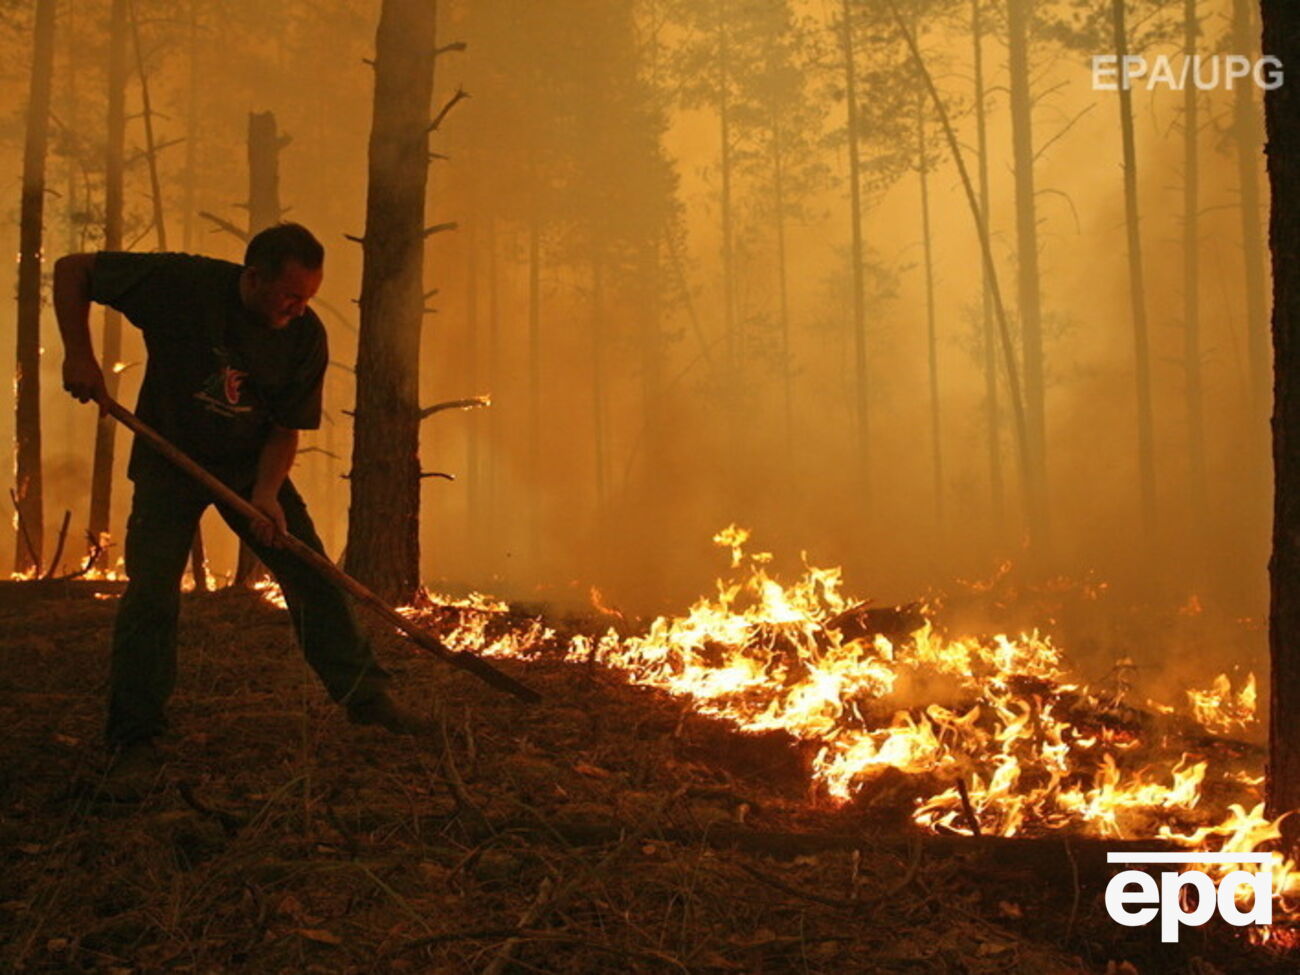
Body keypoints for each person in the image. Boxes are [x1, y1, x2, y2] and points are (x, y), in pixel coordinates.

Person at [55, 223, 431, 798]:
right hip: (168, 457)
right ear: (253, 278)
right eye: (290, 295)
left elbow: (285, 428)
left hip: (249, 466)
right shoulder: (182, 284)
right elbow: (73, 268)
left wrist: (265, 495)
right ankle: (134, 737)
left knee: (311, 573)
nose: (299, 308)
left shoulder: (305, 337)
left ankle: (368, 700)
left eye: (308, 296)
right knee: (152, 594)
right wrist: (79, 355)